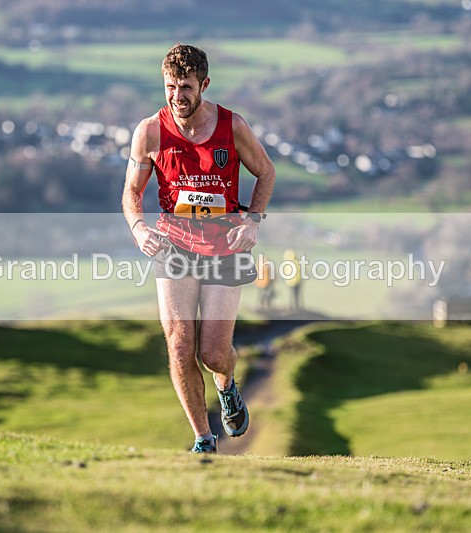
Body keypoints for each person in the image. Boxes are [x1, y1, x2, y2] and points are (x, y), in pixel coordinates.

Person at [121, 43, 276, 453]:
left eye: (186, 87)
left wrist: (253, 221)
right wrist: (138, 228)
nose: (177, 96)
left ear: (204, 84)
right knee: (177, 342)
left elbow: (266, 172)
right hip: (174, 245)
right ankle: (203, 439)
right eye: (170, 86)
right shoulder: (149, 132)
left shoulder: (232, 127)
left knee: (212, 353)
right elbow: (131, 192)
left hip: (225, 246)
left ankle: (226, 384)